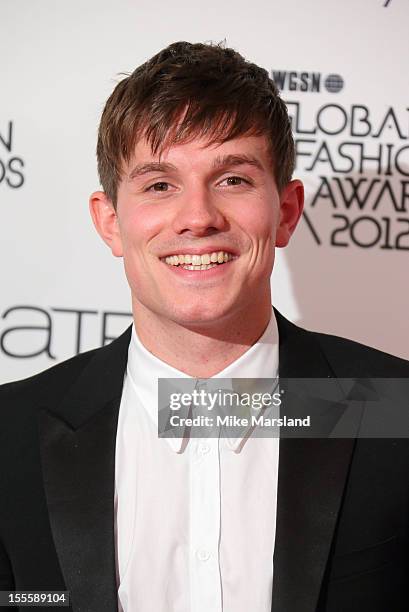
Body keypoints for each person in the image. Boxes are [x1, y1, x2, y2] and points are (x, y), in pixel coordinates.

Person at [0, 41, 408, 612]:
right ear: (111, 222)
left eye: (233, 180)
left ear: (286, 211)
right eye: (159, 184)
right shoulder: (10, 434)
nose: (198, 218)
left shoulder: (393, 408)